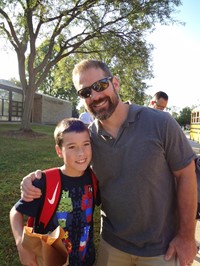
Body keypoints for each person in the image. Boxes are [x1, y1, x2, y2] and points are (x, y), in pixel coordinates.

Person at [21, 59, 197, 266]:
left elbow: (186, 175)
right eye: (85, 92)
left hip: (161, 249)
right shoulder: (88, 139)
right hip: (112, 247)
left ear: (115, 83)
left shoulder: (160, 123)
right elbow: (69, 169)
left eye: (100, 85)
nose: (94, 96)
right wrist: (35, 179)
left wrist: (186, 236)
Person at [10, 118, 100, 266]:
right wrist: (21, 245)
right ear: (59, 151)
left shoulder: (94, 178)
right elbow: (15, 212)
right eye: (72, 147)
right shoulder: (45, 182)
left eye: (86, 144)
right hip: (51, 260)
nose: (81, 153)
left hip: (87, 259)